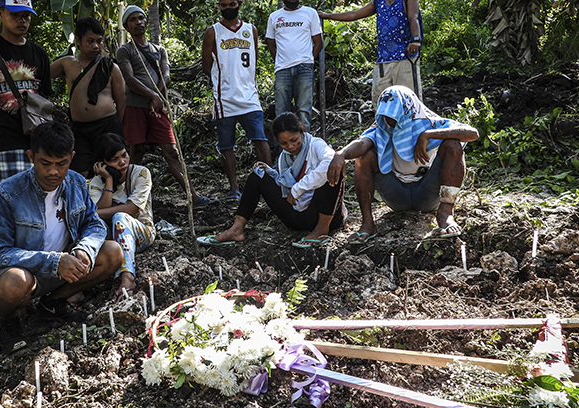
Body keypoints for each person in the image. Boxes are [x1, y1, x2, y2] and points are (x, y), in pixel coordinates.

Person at [0, 121, 123, 353]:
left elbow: (94, 224)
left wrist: (84, 249)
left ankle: (52, 304)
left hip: (64, 268)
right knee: (15, 282)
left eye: (62, 163)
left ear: (72, 158)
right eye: (45, 163)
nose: (53, 171)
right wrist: (55, 261)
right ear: (31, 156)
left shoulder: (76, 182)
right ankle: (7, 321)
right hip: (24, 272)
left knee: (112, 253)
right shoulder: (7, 193)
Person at [327, 86, 479, 244]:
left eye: (394, 115)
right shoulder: (382, 129)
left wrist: (428, 135)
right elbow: (362, 144)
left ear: (409, 111)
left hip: (428, 192)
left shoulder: (429, 123)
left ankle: (445, 213)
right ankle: (367, 223)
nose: (390, 121)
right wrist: (341, 154)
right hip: (397, 194)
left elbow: (472, 134)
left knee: (453, 145)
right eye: (386, 115)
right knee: (364, 158)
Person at [117, 5, 218, 209]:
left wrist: (158, 97)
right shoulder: (124, 50)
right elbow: (129, 78)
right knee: (136, 150)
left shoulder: (159, 50)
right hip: (135, 106)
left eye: (142, 18)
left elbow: (166, 75)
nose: (139, 22)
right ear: (126, 26)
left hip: (157, 107)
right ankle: (127, 197)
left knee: (171, 151)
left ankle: (194, 196)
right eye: (133, 20)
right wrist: (154, 95)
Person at [198, 112, 343, 248]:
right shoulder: (284, 157)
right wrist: (271, 173)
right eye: (284, 143)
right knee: (258, 174)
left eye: (294, 140)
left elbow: (330, 161)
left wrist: (299, 188)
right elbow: (285, 181)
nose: (290, 146)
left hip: (325, 215)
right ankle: (237, 229)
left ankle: (321, 230)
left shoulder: (316, 144)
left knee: (335, 169)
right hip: (297, 214)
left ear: (302, 131)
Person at [0, 0, 52, 184]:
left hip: (38, 139)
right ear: (0, 14)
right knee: (13, 198)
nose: (22, 20)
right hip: (5, 138)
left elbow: (45, 94)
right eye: (14, 15)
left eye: (26, 16)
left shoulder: (39, 53)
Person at [202, 0, 272, 203]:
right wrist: (223, 81)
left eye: (231, 3)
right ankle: (234, 188)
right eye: (223, 5)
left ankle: (270, 182)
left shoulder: (251, 30)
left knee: (260, 139)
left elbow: (254, 58)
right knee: (227, 145)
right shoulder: (212, 32)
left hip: (249, 95)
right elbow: (207, 66)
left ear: (239, 3)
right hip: (225, 98)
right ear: (218, 6)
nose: (227, 8)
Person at [50, 17, 125, 179]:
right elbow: (41, 74)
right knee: (79, 171)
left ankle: (113, 203)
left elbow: (121, 102)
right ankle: (83, 203)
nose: (95, 46)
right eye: (90, 41)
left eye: (99, 41)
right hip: (79, 128)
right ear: (78, 40)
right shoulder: (67, 63)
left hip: (107, 125)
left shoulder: (111, 67)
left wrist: (115, 130)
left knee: (111, 169)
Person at [318, 0, 422, 107]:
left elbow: (413, 18)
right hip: (383, 60)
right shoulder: (378, 2)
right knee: (381, 101)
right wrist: (327, 16)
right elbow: (354, 14)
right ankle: (383, 124)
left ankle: (411, 124)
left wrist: (416, 40)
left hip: (405, 58)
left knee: (408, 100)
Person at [87, 133, 155, 294]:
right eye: (114, 159)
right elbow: (99, 212)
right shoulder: (97, 182)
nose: (122, 162)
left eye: (124, 155)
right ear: (103, 163)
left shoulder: (141, 173)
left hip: (142, 233)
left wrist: (97, 212)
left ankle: (127, 277)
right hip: (112, 241)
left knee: (120, 216)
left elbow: (132, 210)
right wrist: (109, 180)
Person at [265, 0, 323, 130]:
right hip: (282, 70)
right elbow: (271, 44)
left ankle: (306, 147)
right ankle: (282, 149)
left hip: (304, 68)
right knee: (281, 112)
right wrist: (281, 61)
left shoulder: (310, 13)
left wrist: (307, 60)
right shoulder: (274, 17)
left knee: (304, 111)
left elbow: (319, 43)